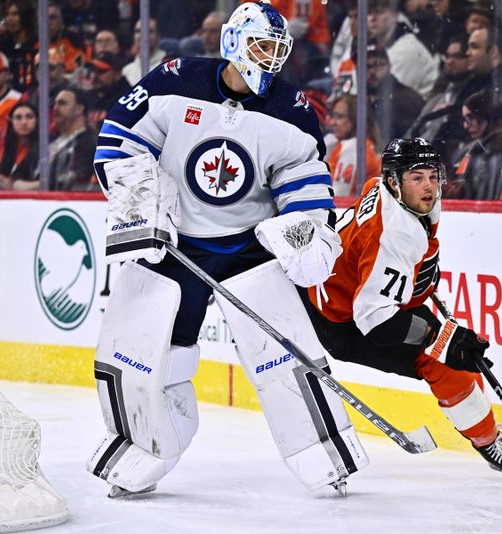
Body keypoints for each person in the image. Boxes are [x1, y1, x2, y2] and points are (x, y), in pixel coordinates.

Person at [87, 0, 368, 499]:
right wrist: (146, 205)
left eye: (279, 49)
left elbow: (303, 179)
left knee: (284, 352)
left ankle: (323, 453)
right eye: (263, 45)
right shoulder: (176, 79)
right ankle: (144, 447)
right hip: (176, 245)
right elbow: (118, 141)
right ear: (235, 42)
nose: (272, 58)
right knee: (142, 352)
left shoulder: (292, 108)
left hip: (247, 247)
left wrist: (303, 227)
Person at [303, 137, 502, 481]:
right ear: (395, 182)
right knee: (444, 361)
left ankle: (485, 427)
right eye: (417, 178)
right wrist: (440, 337)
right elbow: (376, 320)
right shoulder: (393, 231)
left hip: (359, 295)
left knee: (460, 355)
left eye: (433, 176)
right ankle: (489, 443)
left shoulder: (386, 189)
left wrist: (418, 280)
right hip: (346, 323)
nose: (429, 187)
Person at [327, 94, 382, 197]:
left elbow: (339, 197)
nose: (332, 122)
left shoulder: (353, 148)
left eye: (339, 117)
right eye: (333, 116)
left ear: (355, 119)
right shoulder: (363, 144)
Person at [49, 87, 96, 190]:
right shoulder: (48, 141)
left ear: (79, 109)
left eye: (62, 103)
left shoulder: (90, 144)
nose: (55, 108)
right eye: (55, 103)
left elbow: (70, 181)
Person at [0, 101, 39, 190]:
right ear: (11, 122)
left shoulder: (46, 147)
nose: (24, 122)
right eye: (18, 117)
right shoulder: (4, 146)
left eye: (29, 117)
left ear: (37, 121)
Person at [121, 17, 167, 86]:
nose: (143, 35)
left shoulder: (167, 66)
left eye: (149, 31)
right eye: (138, 31)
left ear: (158, 36)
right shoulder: (127, 70)